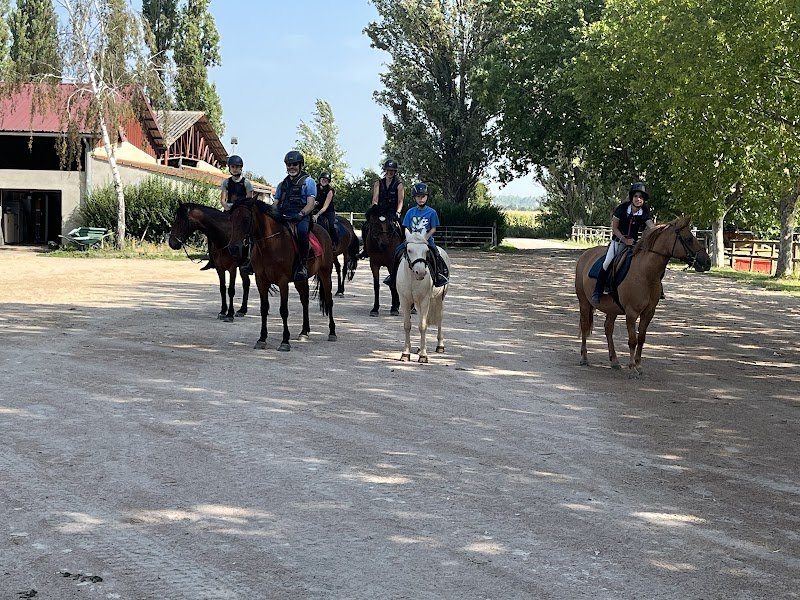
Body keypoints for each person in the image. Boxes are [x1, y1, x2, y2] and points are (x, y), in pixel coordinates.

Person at [591, 182, 655, 304]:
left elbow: (651, 226)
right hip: (618, 242)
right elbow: (614, 228)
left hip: (634, 245)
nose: (638, 199)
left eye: (641, 197)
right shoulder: (621, 209)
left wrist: (662, 230)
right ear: (632, 197)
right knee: (607, 262)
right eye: (636, 196)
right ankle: (597, 291)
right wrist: (625, 240)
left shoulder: (644, 213)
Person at [383, 182, 449, 288]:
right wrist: (409, 237)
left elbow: (433, 228)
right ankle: (393, 277)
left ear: (427, 197)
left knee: (435, 253)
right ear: (415, 198)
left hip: (426, 240)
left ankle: (439, 276)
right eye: (418, 196)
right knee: (397, 251)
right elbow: (406, 227)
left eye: (423, 196)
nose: (421, 199)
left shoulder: (432, 212)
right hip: (411, 239)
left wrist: (425, 238)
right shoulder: (410, 212)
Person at [202, 155, 254, 271]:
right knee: (212, 231)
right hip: (229, 211)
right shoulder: (226, 182)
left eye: (237, 167)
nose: (235, 169)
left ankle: (249, 259)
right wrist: (227, 207)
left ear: (241, 168)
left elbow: (249, 201)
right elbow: (222, 200)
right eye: (233, 167)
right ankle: (212, 258)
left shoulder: (247, 183)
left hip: (241, 212)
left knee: (250, 233)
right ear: (230, 168)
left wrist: (239, 209)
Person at [274, 150, 317, 281]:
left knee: (302, 232)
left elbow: (311, 204)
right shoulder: (282, 184)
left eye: (294, 164)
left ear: (301, 165)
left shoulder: (309, 182)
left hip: (301, 216)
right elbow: (275, 203)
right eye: (288, 164)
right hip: (284, 215)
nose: (291, 167)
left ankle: (302, 265)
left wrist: (300, 214)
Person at [359, 159, 404, 258]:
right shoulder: (378, 183)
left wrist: (398, 212)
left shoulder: (399, 184)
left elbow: (400, 200)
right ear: (385, 171)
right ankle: (366, 249)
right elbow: (375, 198)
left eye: (392, 171)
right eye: (388, 170)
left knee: (402, 227)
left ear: (395, 172)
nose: (390, 172)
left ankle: (403, 249)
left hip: (392, 212)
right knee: (366, 226)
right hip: (380, 210)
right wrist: (375, 209)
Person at [313, 171, 338, 247]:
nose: (324, 180)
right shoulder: (315, 188)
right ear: (319, 179)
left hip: (327, 211)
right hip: (314, 210)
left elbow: (325, 207)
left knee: (331, 224)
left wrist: (317, 215)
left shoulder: (330, 191)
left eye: (326, 179)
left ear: (328, 181)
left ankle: (334, 242)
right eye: (323, 179)